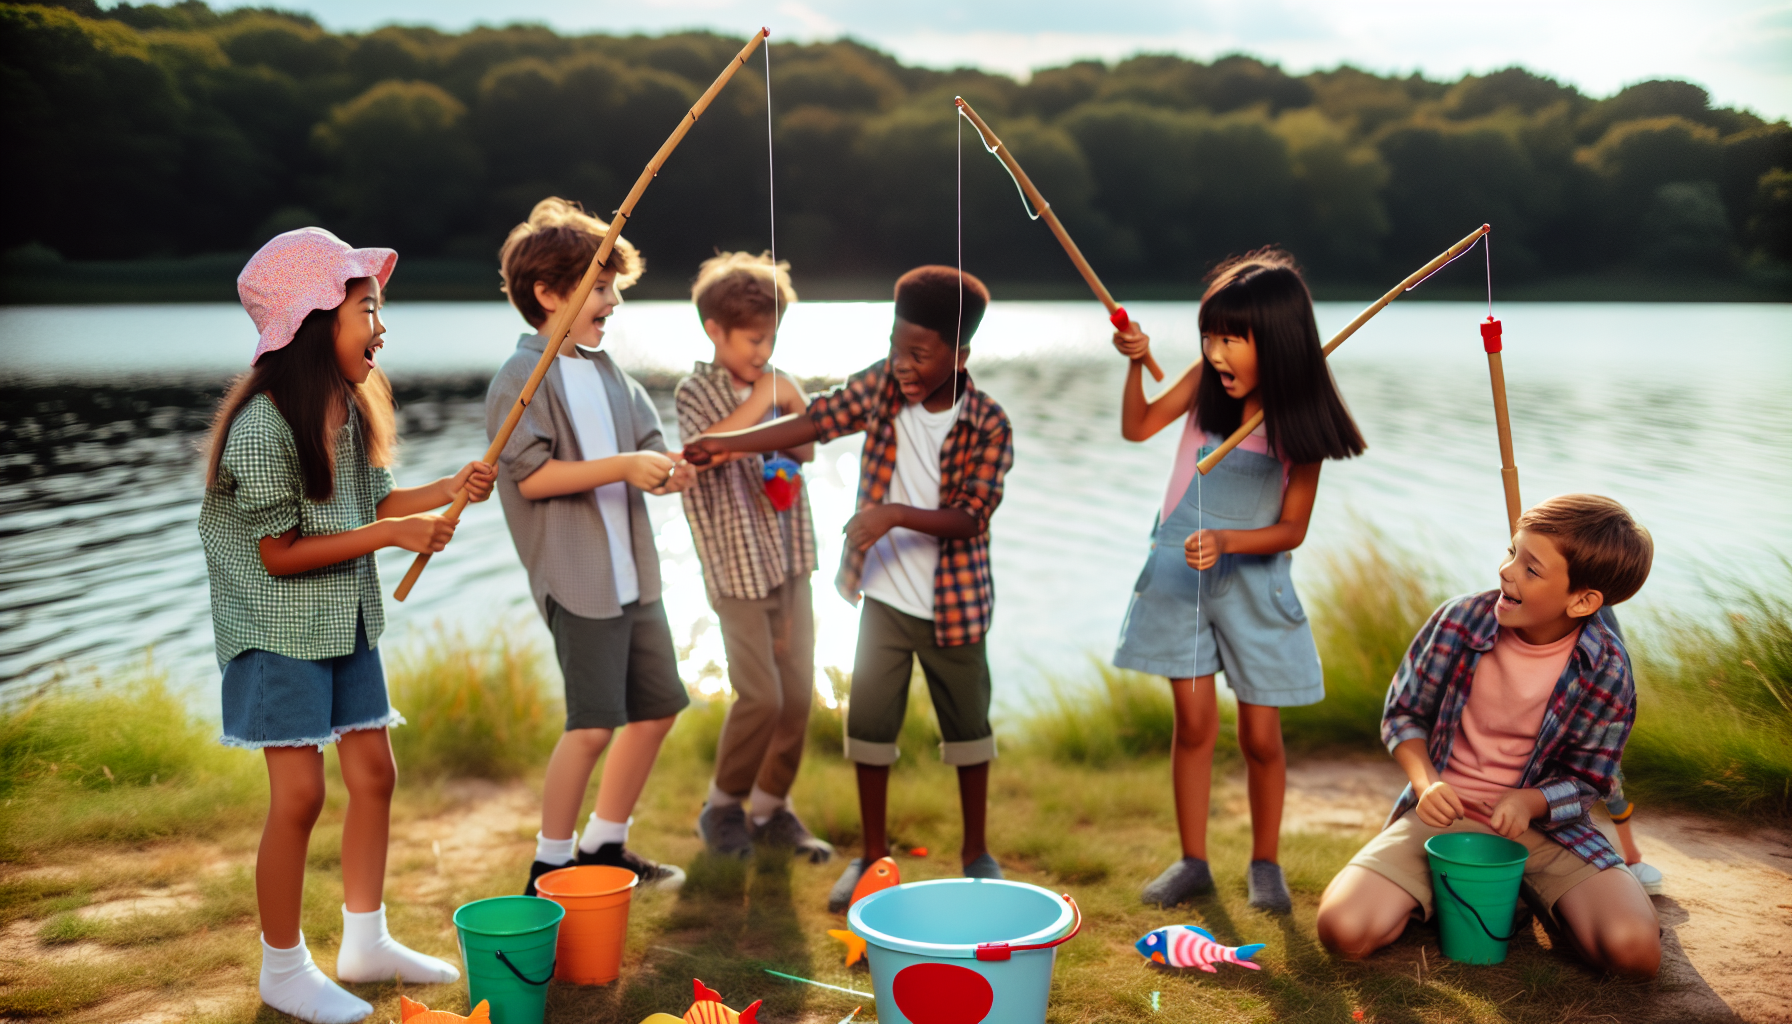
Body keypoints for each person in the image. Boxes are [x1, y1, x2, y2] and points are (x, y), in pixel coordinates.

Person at [200, 227, 496, 1023]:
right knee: (298, 794)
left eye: (378, 307)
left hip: (346, 622)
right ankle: (282, 968)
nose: (380, 324)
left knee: (375, 775)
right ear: (310, 323)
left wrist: (447, 488)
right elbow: (279, 556)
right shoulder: (262, 426)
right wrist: (391, 538)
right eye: (366, 308)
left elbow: (378, 503)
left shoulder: (348, 406)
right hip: (278, 632)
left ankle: (364, 938)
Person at [684, 266, 1013, 911]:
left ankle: (976, 852)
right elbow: (817, 422)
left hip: (957, 607)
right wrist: (727, 445)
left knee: (968, 731)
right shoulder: (884, 386)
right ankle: (870, 854)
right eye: (896, 346)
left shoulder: (989, 423)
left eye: (919, 353)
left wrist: (890, 515)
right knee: (868, 730)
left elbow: (973, 515)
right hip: (884, 599)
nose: (903, 364)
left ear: (960, 355)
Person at [1111, 249, 1365, 912]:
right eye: (1210, 336)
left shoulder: (1296, 420)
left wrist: (1228, 540)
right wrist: (1137, 364)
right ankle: (1193, 861)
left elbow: (1292, 530)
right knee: (1192, 724)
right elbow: (1138, 427)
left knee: (1259, 736)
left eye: (1232, 339)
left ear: (1276, 343)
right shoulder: (1202, 385)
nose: (1216, 352)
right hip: (1178, 576)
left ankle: (1265, 862)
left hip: (1255, 586)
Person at [1315, 494, 1661, 978]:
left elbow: (1591, 778)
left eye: (1531, 569)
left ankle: (1515, 892)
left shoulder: (1606, 666)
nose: (1507, 571)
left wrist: (1529, 802)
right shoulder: (1459, 620)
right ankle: (1479, 890)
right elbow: (1403, 714)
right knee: (1343, 931)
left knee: (1633, 955)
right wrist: (1426, 783)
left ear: (1582, 600)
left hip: (1546, 830)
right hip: (1445, 817)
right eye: (1512, 551)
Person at [487, 198, 695, 897]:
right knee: (592, 726)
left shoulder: (610, 374)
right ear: (548, 294)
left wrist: (667, 470)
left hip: (636, 579)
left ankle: (606, 842)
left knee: (659, 706)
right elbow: (536, 477)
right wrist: (622, 469)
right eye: (599, 288)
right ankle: (549, 865)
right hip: (580, 583)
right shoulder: (521, 382)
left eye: (614, 288)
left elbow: (648, 446)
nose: (611, 303)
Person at [678, 252, 833, 862]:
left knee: (797, 697)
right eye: (751, 339)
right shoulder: (697, 390)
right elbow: (704, 449)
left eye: (771, 338)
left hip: (791, 557)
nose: (763, 351)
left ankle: (771, 807)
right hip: (736, 569)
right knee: (760, 696)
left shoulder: (779, 381)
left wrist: (789, 403)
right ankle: (722, 805)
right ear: (715, 331)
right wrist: (768, 398)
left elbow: (810, 451)